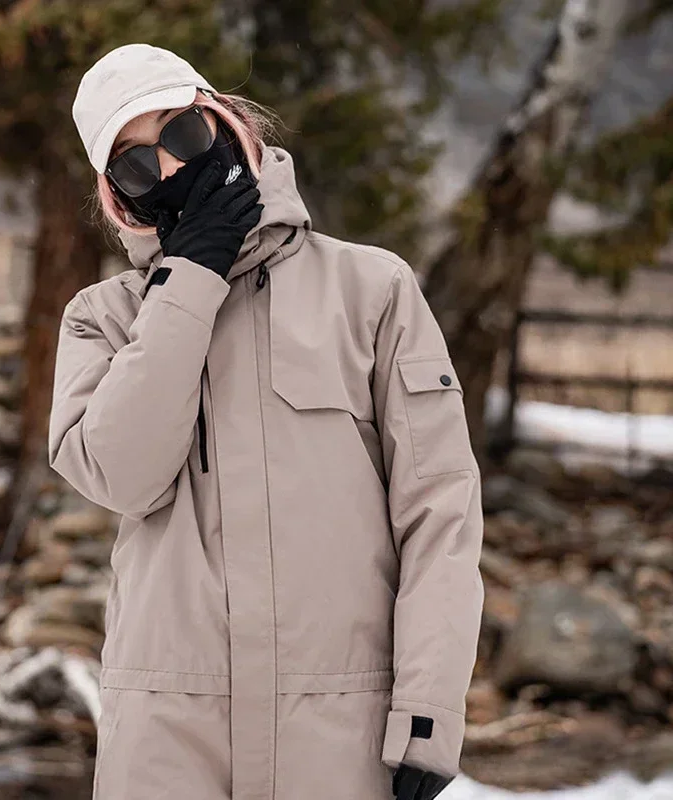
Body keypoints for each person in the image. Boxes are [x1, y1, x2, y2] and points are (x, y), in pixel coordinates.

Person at [50, 42, 484, 800]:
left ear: (230, 123)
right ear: (118, 196)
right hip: (167, 740)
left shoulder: (372, 290)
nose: (175, 170)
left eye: (184, 135)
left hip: (342, 730)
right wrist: (191, 278)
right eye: (138, 165)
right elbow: (125, 476)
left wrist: (427, 712)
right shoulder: (102, 321)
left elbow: (440, 511)